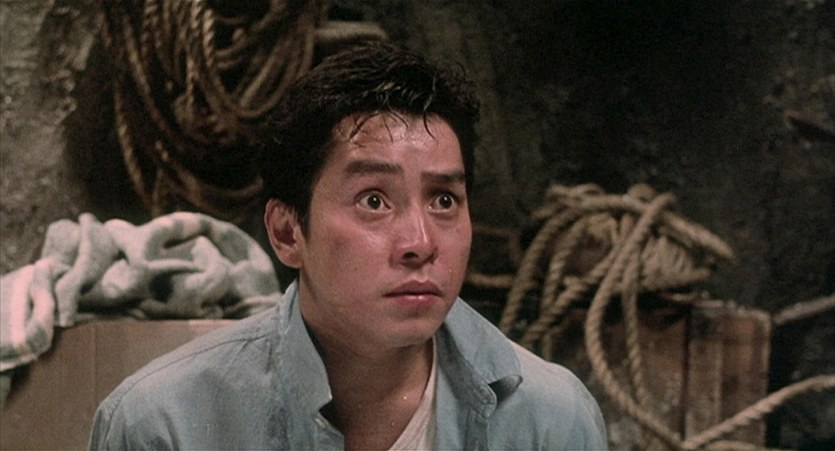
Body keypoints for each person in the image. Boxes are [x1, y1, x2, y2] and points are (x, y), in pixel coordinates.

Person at [88, 41, 608, 450]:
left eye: (444, 200)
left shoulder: (550, 419)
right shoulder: (163, 425)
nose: (420, 243)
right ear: (287, 233)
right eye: (374, 201)